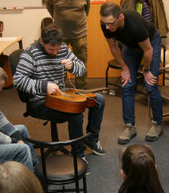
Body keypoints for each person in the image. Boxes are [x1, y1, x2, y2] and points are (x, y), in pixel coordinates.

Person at [13, 24, 105, 159]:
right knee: (76, 114)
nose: (56, 52)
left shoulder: (63, 49)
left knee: (99, 100)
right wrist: (45, 86)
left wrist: (73, 66)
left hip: (62, 95)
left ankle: (92, 139)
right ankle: (78, 156)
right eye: (51, 49)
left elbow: (82, 70)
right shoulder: (30, 54)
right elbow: (18, 80)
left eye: (58, 48)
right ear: (42, 41)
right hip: (41, 101)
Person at [100, 2, 164, 144]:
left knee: (150, 85)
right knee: (127, 84)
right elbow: (113, 47)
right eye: (104, 23)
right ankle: (130, 127)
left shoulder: (134, 24)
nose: (107, 27)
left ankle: (157, 124)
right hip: (130, 45)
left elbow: (148, 51)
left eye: (110, 23)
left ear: (120, 17)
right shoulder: (106, 24)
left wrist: (146, 71)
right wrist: (125, 68)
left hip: (150, 42)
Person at [46, 0, 90, 89]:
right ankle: (59, 89)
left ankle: (81, 90)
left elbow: (86, 11)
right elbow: (50, 8)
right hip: (60, 36)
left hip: (79, 34)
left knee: (81, 62)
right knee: (58, 63)